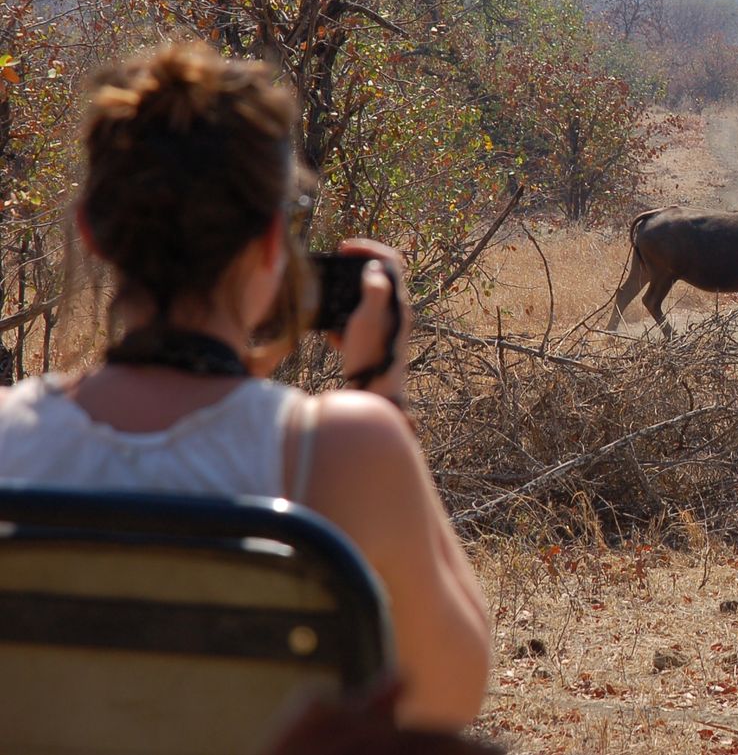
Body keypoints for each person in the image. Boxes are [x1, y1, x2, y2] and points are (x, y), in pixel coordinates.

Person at [0, 43, 491, 730]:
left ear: (93, 233)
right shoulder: (347, 446)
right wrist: (381, 393)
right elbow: (445, 699)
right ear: (270, 242)